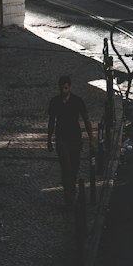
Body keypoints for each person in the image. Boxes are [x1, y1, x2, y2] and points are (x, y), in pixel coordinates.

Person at [47, 74, 94, 208]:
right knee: (66, 168)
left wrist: (91, 139)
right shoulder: (55, 102)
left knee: (74, 168)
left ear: (70, 87)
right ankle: (69, 198)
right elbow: (51, 122)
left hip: (75, 139)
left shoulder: (77, 101)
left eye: (66, 88)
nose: (64, 91)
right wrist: (49, 139)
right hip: (61, 139)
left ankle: (71, 190)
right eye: (62, 88)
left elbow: (86, 120)